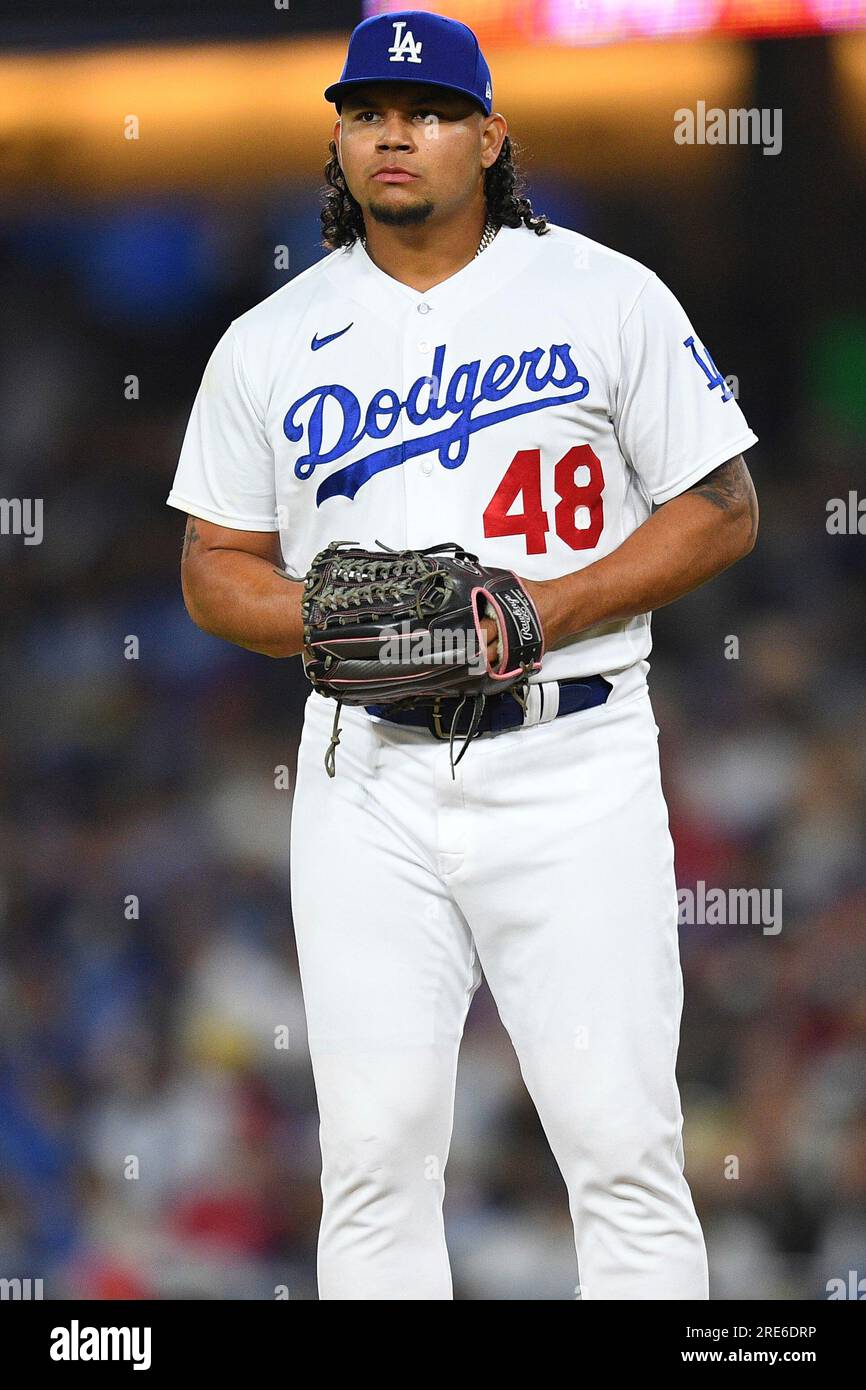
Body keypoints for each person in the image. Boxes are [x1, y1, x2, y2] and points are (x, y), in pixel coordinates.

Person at [167, 10, 759, 1300]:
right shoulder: (272, 336)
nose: (396, 133)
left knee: (622, 1149)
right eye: (370, 110)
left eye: (430, 110)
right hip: (365, 773)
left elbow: (724, 508)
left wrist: (541, 610)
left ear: (491, 135)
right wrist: (333, 623)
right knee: (373, 1159)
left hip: (574, 750)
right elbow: (214, 567)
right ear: (340, 133)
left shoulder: (604, 293)